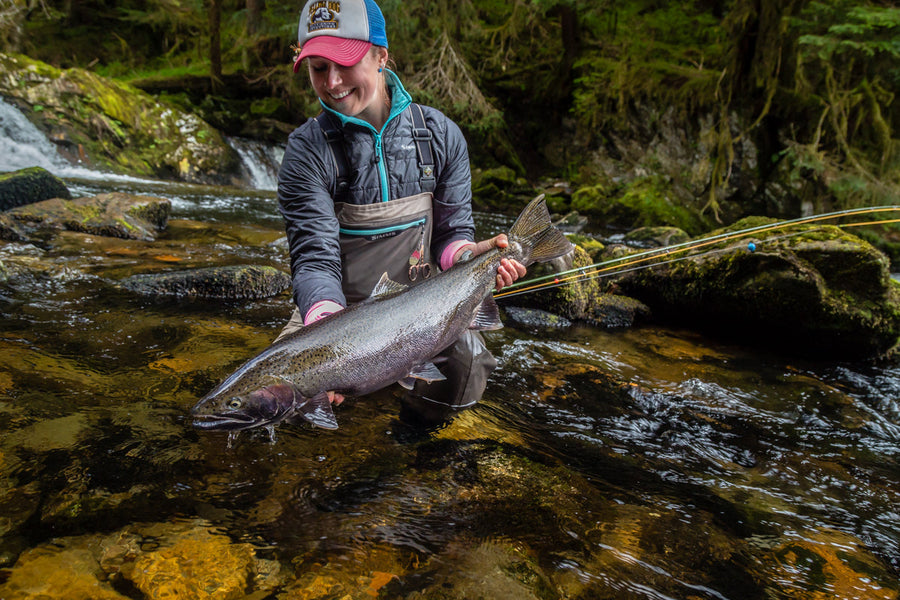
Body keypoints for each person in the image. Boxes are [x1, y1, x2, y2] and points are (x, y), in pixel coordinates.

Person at [276, 0, 525, 422]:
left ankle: (417, 456)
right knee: (288, 409)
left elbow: (451, 238)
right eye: (319, 68)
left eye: (344, 63)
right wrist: (332, 349)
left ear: (381, 56)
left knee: (467, 368)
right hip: (334, 316)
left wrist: (470, 257)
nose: (332, 82)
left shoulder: (439, 136)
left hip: (419, 312)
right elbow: (313, 260)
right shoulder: (306, 152)